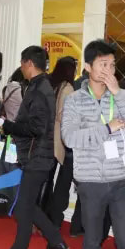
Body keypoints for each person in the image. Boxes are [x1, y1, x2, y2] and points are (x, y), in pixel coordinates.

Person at [61, 40, 125, 249]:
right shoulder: (74, 100)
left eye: (112, 65)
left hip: (122, 179)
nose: (109, 70)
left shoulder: (122, 96)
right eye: (103, 64)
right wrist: (107, 128)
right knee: (92, 240)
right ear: (88, 67)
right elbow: (69, 138)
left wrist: (118, 93)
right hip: (90, 181)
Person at [2, 46, 67, 249]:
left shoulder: (39, 89)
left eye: (22, 63)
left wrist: (9, 126)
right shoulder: (40, 86)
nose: (21, 67)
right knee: (26, 204)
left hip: (36, 156)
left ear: (29, 63)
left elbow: (37, 128)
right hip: (37, 155)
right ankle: (56, 242)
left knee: (24, 206)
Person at [45, 56, 77, 229]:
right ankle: (51, 216)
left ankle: (42, 212)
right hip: (58, 139)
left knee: (46, 179)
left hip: (45, 137)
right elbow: (64, 116)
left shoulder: (50, 84)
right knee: (56, 180)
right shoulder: (68, 88)